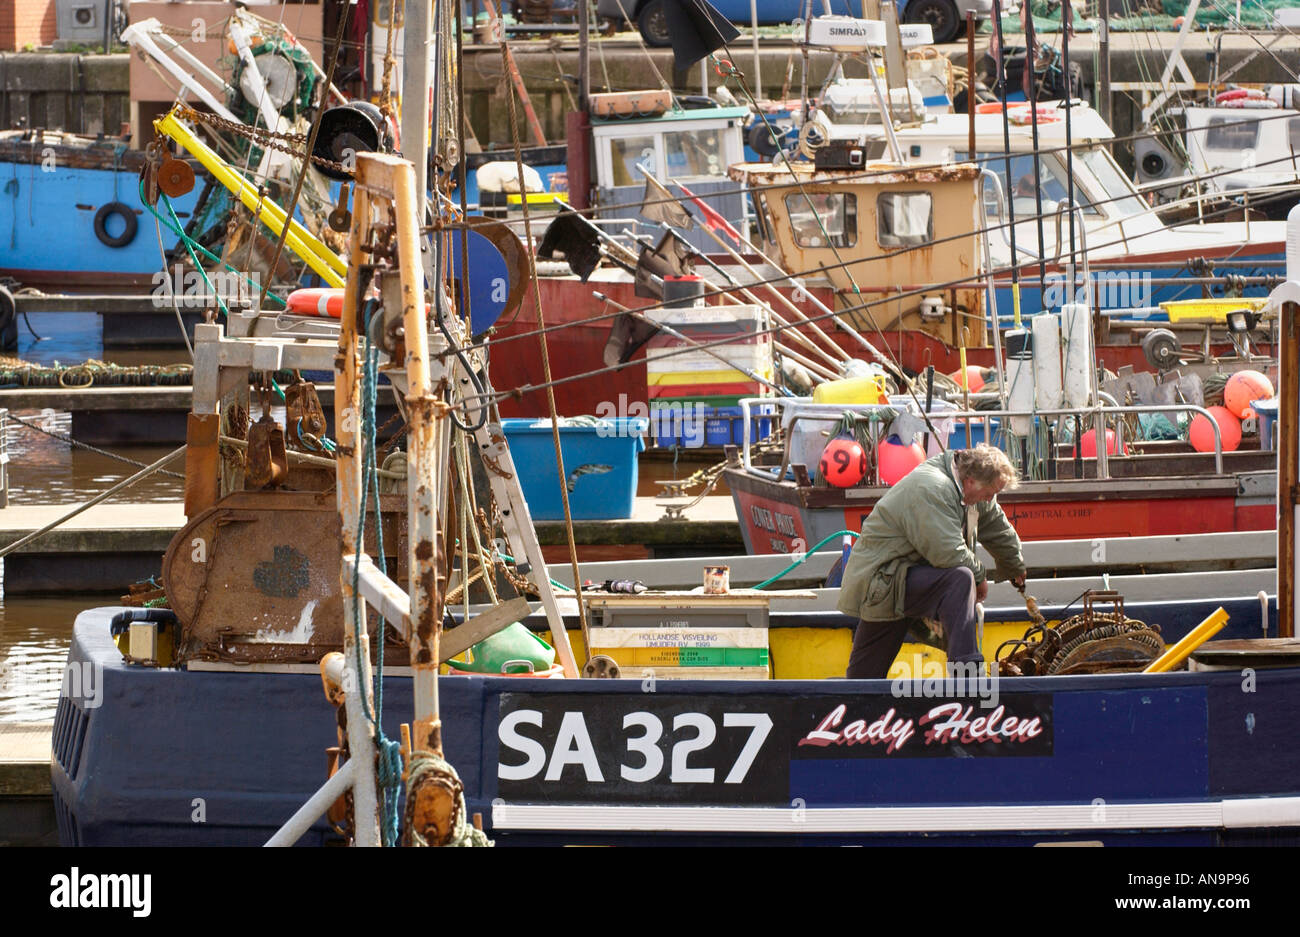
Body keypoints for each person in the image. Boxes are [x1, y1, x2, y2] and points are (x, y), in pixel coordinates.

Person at [839, 443, 1028, 679]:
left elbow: (995, 525)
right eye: (990, 493)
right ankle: (967, 677)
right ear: (971, 482)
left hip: (908, 576)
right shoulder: (932, 488)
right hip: (882, 581)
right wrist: (980, 578)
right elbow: (947, 552)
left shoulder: (972, 488)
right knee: (960, 578)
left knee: (863, 676)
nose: (991, 499)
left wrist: (1014, 566)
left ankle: (852, 697)